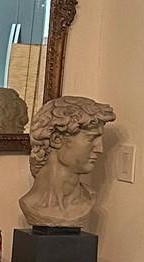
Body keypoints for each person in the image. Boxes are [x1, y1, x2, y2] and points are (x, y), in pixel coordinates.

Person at [20, 95, 116, 228]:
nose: (100, 149)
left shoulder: (87, 202)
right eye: (91, 138)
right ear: (56, 139)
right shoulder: (30, 203)